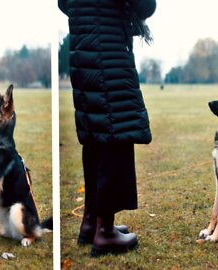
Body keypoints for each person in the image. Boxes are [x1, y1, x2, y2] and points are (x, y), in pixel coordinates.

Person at [58, 0, 156, 257]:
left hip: (83, 50)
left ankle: (91, 223)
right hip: (108, 52)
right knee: (117, 134)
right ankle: (106, 231)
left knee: (96, 136)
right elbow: (145, 5)